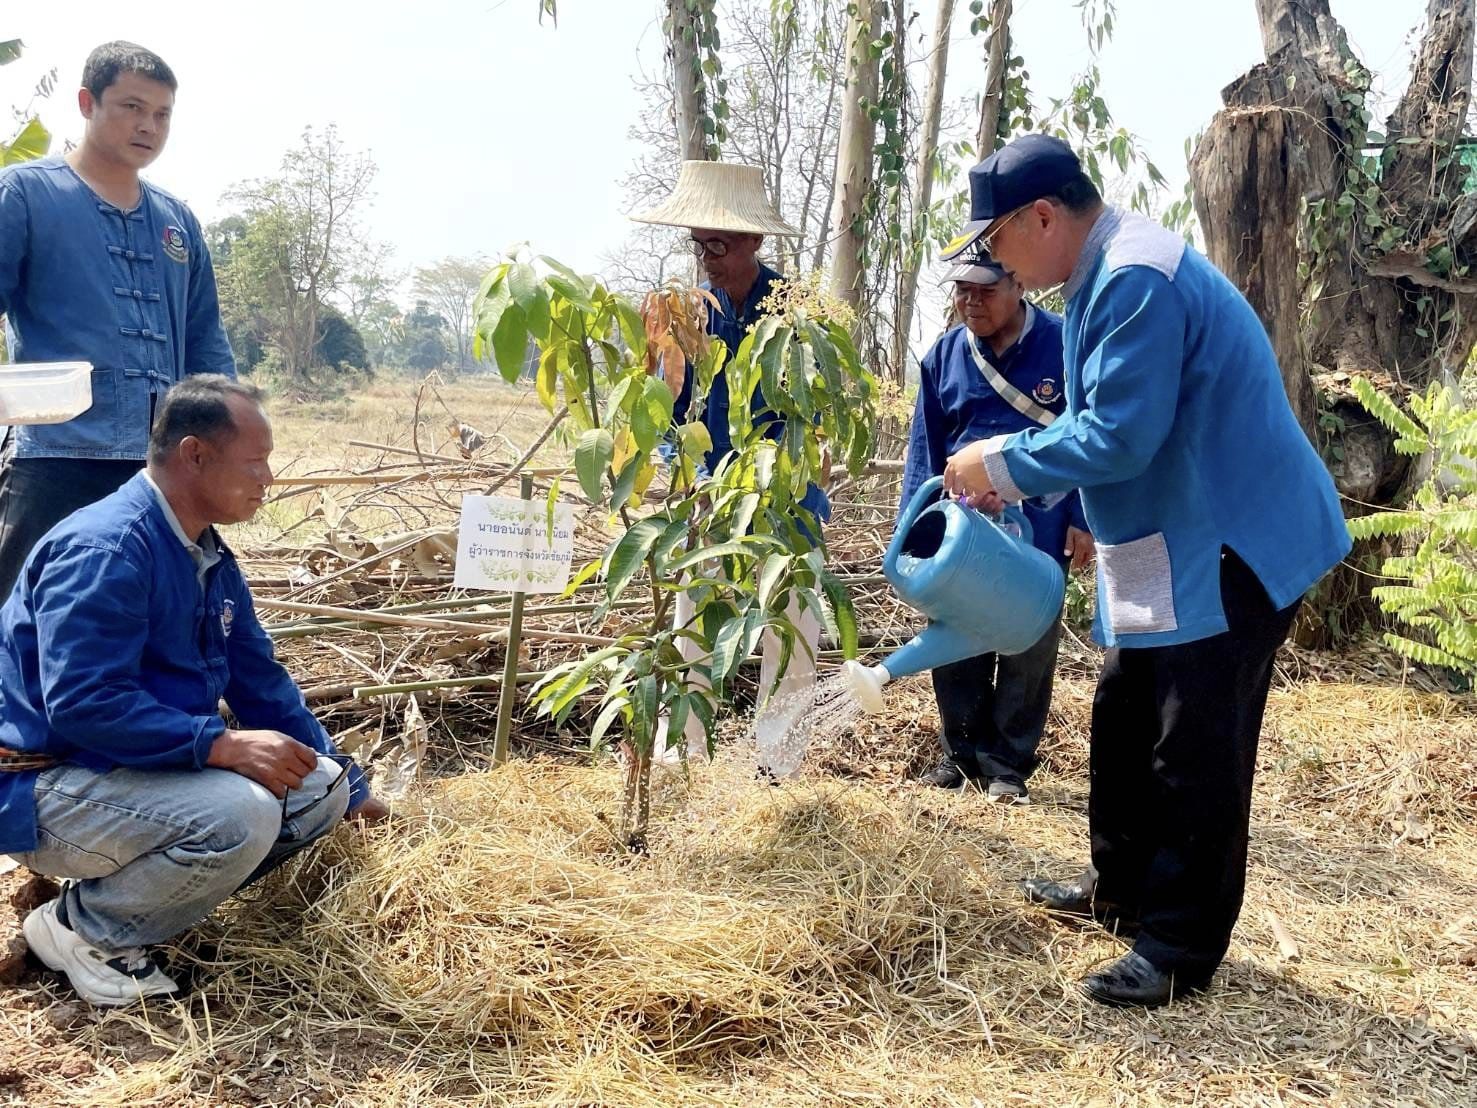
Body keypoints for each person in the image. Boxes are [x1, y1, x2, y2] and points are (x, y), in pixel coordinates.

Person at [939, 134, 1351, 1007]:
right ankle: (1120, 891)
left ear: (1042, 217)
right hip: (1165, 543)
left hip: (1234, 542)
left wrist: (999, 462)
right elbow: (1113, 427)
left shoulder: (1136, 276)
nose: (991, 261)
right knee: (1124, 713)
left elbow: (1120, 435)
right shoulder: (1095, 279)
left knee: (1193, 742)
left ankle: (1177, 948)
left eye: (995, 240)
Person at [0, 375, 387, 1008]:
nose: (269, 478)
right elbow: (82, 705)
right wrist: (217, 745)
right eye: (256, 460)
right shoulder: (107, 550)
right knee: (243, 814)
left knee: (319, 788)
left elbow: (260, 681)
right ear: (195, 455)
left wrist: (354, 787)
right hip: (44, 783)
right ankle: (87, 930)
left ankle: (134, 904)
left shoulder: (203, 553)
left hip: (127, 774)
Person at [0, 41, 235, 598]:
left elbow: (206, 341)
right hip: (58, 454)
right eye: (131, 106)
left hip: (165, 464)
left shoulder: (176, 221)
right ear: (87, 103)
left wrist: (226, 441)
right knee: (26, 614)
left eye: (161, 114)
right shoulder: (27, 194)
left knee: (166, 616)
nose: (148, 126)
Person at [631, 161, 830, 776]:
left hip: (786, 500)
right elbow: (661, 406)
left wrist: (800, 471)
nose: (707, 258)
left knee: (791, 630)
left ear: (753, 242)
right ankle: (682, 753)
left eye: (718, 245)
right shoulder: (683, 314)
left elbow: (818, 409)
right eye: (698, 245)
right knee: (693, 623)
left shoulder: (796, 315)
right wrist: (676, 467)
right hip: (710, 495)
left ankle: (780, 759)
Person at [901, 249, 1093, 803]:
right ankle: (959, 755)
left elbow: (1092, 437)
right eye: (962, 290)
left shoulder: (1064, 344)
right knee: (956, 634)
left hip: (1042, 518)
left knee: (1027, 642)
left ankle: (1007, 764)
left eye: (984, 290)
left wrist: (1082, 518)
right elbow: (925, 451)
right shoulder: (943, 356)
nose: (970, 302)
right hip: (963, 527)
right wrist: (917, 531)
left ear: (1018, 284)